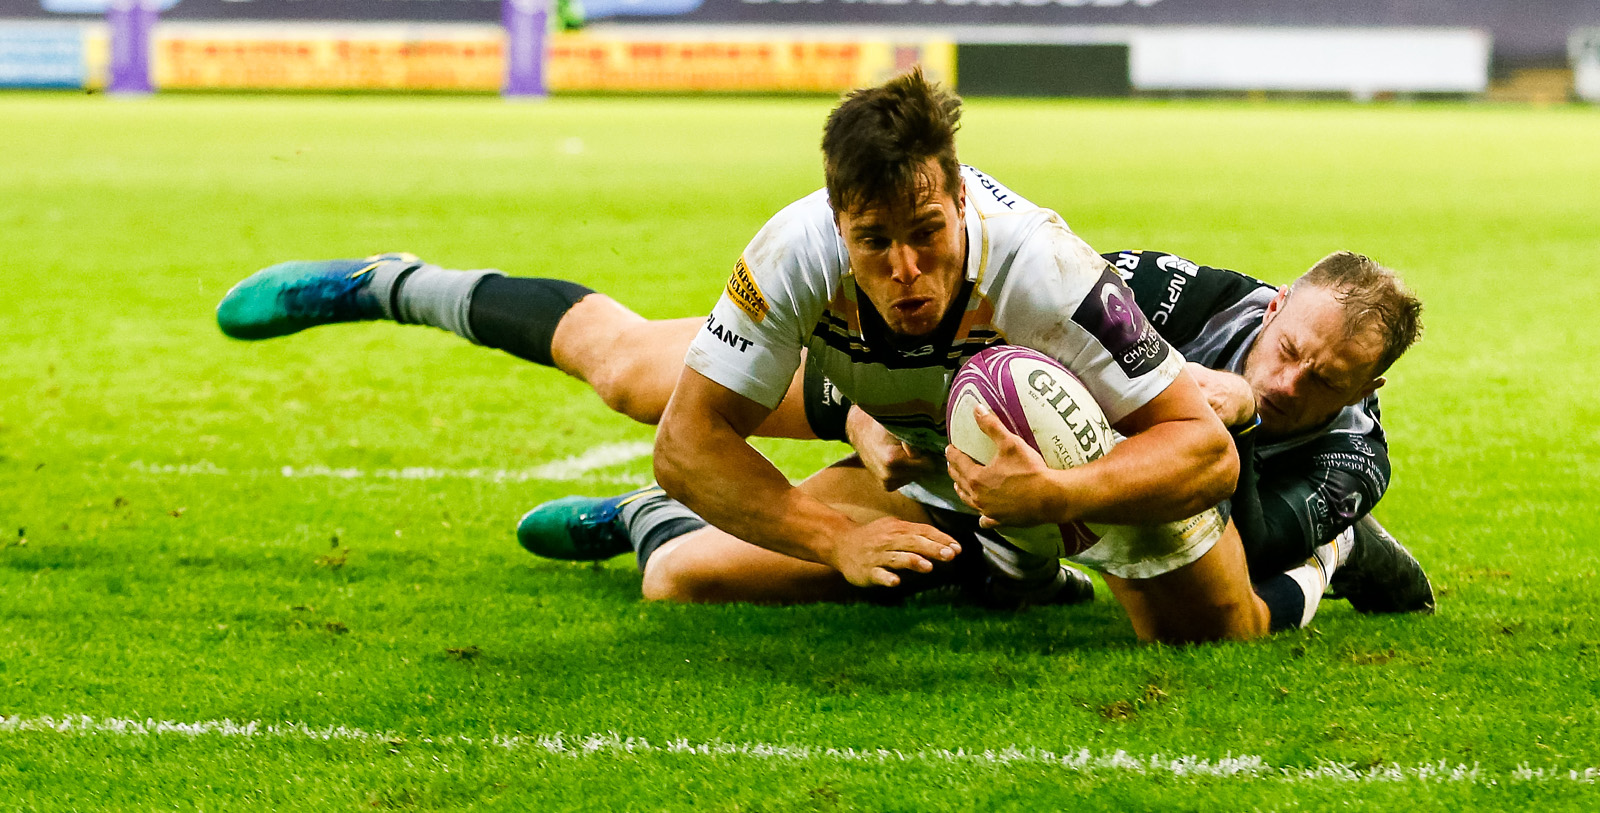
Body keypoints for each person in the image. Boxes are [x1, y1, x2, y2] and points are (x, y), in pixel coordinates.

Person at [216, 71, 1427, 641]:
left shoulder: (1052, 273)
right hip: (886, 397)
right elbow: (689, 440)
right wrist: (826, 526)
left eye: (926, 234)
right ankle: (390, 284)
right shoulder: (793, 251)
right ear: (837, 223)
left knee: (680, 579)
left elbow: (1201, 456)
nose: (904, 268)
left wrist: (1052, 490)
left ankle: (645, 526)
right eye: (873, 242)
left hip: (1001, 442)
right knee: (634, 372)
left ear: (962, 201)